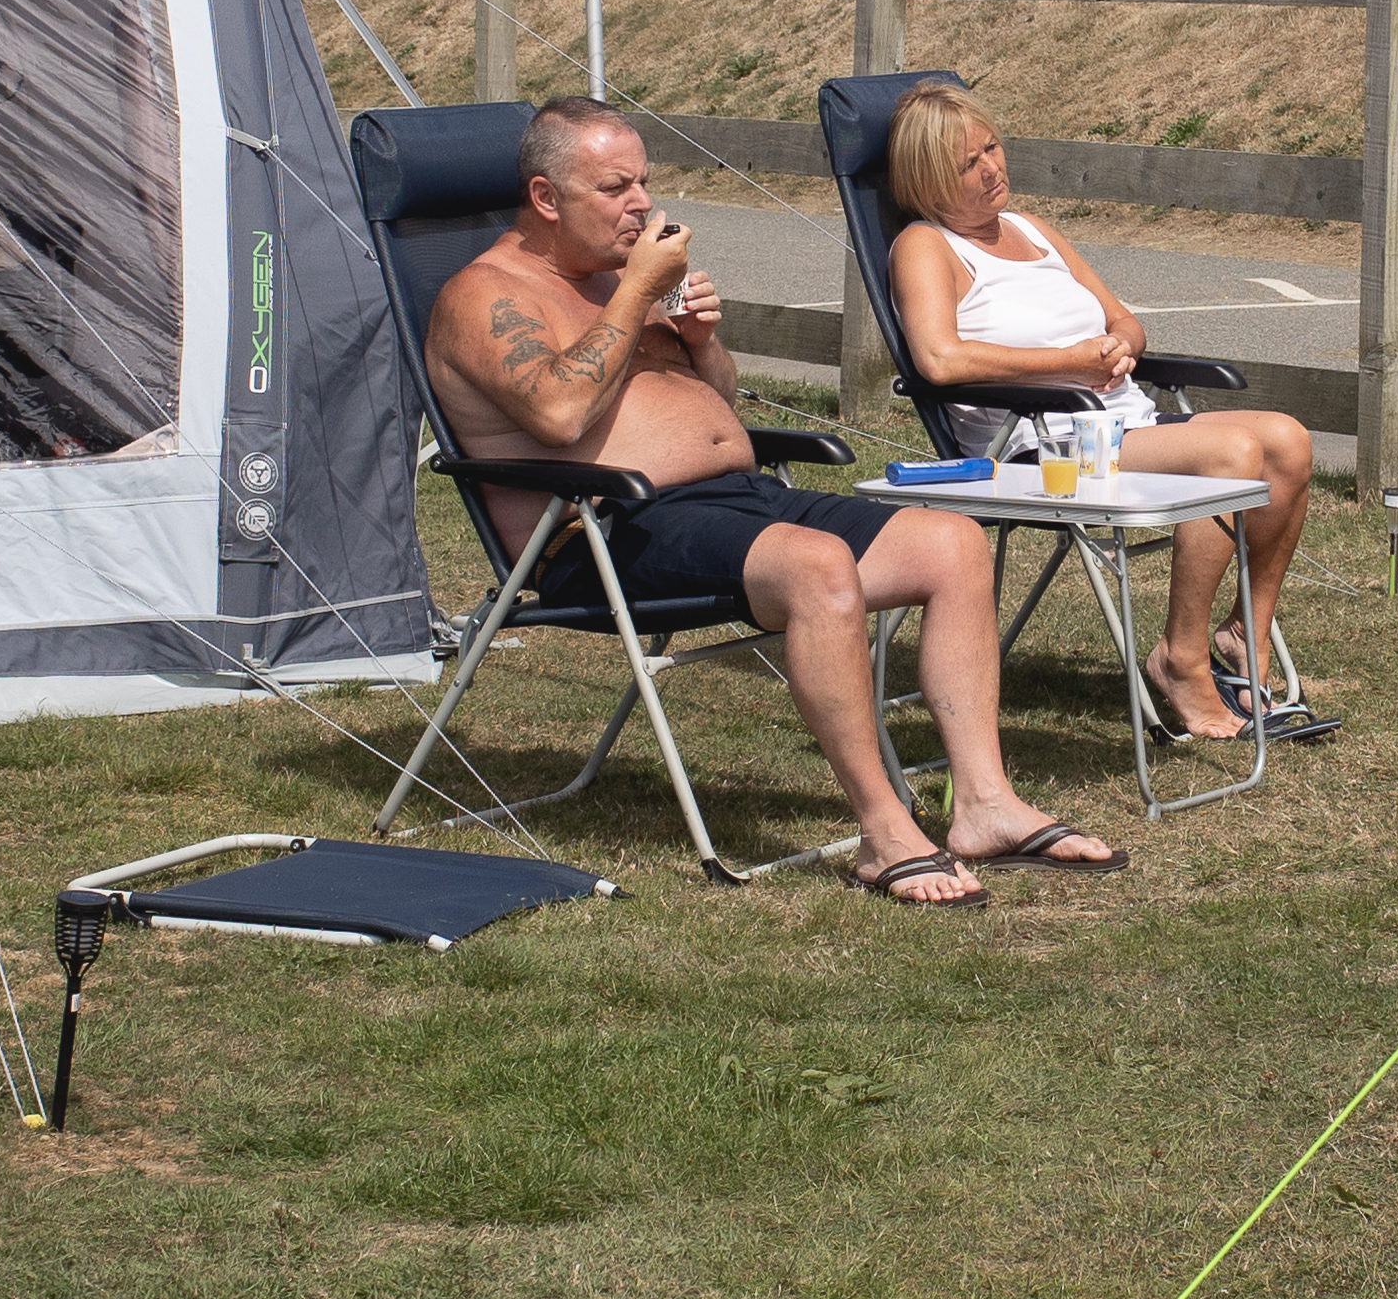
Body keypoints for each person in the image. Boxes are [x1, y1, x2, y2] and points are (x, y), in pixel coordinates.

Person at [425, 96, 1117, 906]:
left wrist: (698, 342)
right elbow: (557, 413)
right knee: (818, 567)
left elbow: (718, 402)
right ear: (546, 198)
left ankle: (986, 805)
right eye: (614, 187)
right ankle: (884, 829)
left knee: (951, 542)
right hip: (602, 528)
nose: (641, 203)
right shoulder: (481, 296)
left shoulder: (617, 278)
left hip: (733, 499)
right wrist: (635, 294)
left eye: (643, 181)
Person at [879, 81, 1331, 745]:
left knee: (1286, 441)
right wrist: (1066, 361)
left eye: (993, 148)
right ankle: (1180, 660)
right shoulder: (927, 245)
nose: (992, 169)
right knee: (1230, 454)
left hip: (1123, 423)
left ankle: (1244, 636)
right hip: (1040, 446)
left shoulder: (1032, 230)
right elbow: (938, 361)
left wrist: (1120, 347)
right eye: (966, 164)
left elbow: (1123, 320)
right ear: (925, 183)